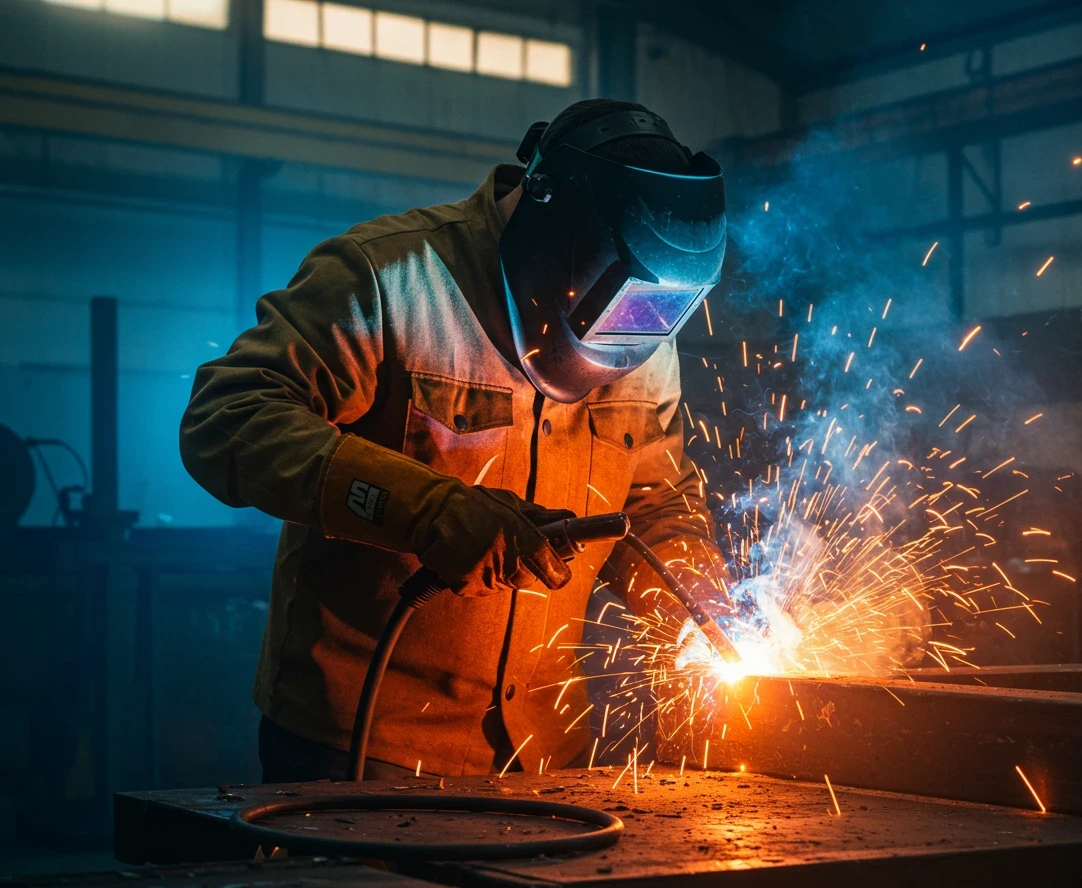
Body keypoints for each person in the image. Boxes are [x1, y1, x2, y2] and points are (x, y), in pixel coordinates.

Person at [179, 98, 730, 782]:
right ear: (552, 232)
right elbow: (227, 416)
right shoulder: (388, 281)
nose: (637, 334)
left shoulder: (644, 323)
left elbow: (653, 500)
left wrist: (693, 599)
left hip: (550, 760)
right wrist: (427, 509)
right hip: (364, 751)